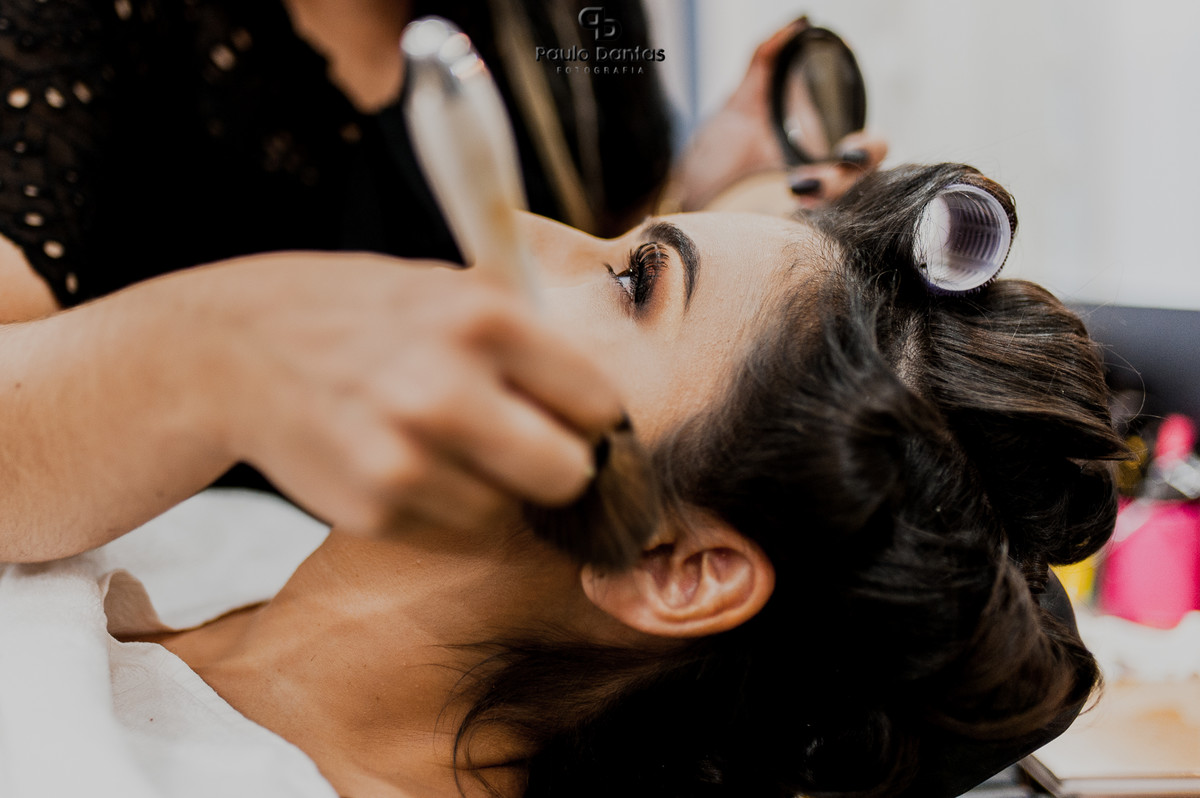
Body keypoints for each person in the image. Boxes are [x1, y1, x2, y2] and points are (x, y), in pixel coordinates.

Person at [0, 163, 1125, 797]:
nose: (524, 232)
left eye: (633, 282)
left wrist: (211, 349)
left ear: (674, 565)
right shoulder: (212, 534)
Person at [0, 0, 885, 559]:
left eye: (634, 277)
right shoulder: (82, 29)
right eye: (635, 275)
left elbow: (584, 290)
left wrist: (698, 207)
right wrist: (216, 360)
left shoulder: (572, 26)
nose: (514, 241)